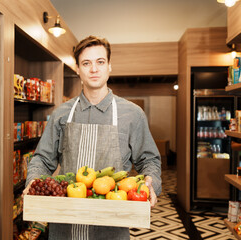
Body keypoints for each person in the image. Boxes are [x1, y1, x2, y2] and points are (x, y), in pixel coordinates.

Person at [23, 35, 161, 240]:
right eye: (86, 63)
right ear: (78, 69)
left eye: (100, 62)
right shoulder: (62, 114)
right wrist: (33, 180)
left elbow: (149, 160)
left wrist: (151, 181)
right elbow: (42, 159)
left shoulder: (132, 114)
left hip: (112, 227)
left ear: (109, 66)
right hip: (64, 226)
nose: (94, 69)